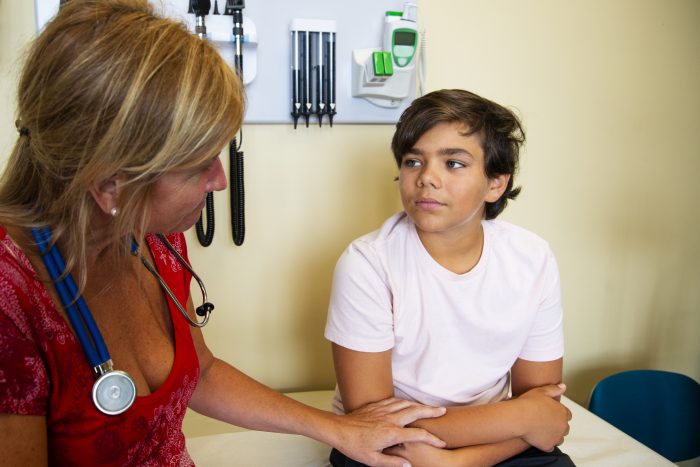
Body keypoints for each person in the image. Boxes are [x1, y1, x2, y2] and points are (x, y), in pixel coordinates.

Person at [0, 1, 448, 465]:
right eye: (198, 166)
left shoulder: (152, 234)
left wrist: (338, 429)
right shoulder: (10, 299)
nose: (220, 180)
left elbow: (204, 372)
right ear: (110, 183)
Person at [325, 89, 574, 466]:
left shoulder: (532, 259)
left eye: (454, 163)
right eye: (413, 162)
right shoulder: (367, 263)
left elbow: (545, 412)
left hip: (497, 440)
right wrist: (522, 418)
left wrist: (460, 462)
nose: (427, 178)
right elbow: (371, 426)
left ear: (496, 184)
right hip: (392, 449)